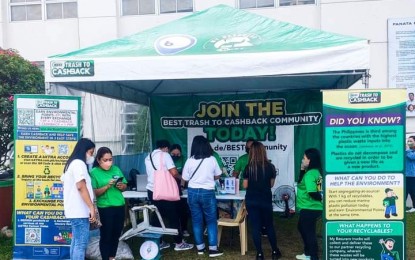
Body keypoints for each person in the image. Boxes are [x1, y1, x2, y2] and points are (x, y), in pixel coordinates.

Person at [145, 140, 193, 251]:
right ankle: (179, 243)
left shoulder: (148, 157)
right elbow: (174, 173)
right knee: (173, 216)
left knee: (157, 216)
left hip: (152, 190)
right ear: (166, 148)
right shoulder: (165, 155)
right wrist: (185, 178)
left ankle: (159, 241)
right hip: (164, 190)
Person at [182, 135, 223, 257]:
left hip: (192, 192)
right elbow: (218, 176)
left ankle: (200, 248)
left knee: (196, 221)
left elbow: (185, 178)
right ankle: (213, 249)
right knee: (211, 221)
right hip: (207, 192)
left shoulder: (189, 160)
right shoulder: (211, 159)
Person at [243, 141, 282, 260]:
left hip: (252, 200)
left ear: (251, 152)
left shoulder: (248, 167)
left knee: (255, 227)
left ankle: (259, 254)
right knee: (269, 226)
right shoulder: (270, 167)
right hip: (265, 199)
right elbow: (271, 184)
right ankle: (275, 251)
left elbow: (245, 185)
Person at [61, 138, 96, 260]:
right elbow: (81, 186)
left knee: (76, 242)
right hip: (79, 211)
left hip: (75, 211)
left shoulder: (71, 164)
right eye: (91, 152)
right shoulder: (78, 164)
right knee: (81, 244)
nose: (91, 156)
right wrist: (91, 206)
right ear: (84, 151)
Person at [90, 147, 127, 260]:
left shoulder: (116, 169)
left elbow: (125, 185)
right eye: (105, 160)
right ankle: (105, 257)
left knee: (116, 234)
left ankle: (112, 257)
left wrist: (122, 186)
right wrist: (107, 186)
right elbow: (94, 192)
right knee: (106, 235)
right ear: (98, 160)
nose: (108, 162)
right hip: (105, 208)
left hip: (119, 205)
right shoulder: (94, 172)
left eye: (110, 159)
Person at [295, 148, 323, 260]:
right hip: (312, 207)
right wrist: (302, 169)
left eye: (304, 158)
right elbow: (301, 181)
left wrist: (321, 198)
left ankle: (313, 256)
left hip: (310, 207)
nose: (302, 160)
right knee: (302, 228)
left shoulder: (310, 174)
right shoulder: (315, 172)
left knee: (308, 232)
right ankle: (308, 253)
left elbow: (312, 192)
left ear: (309, 160)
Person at [170, 143, 191, 237]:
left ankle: (184, 228)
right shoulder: (167, 159)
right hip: (169, 186)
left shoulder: (184, 159)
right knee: (173, 210)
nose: (175, 156)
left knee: (183, 208)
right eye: (173, 154)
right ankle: (174, 230)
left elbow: (184, 175)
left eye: (177, 154)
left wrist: (182, 187)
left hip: (181, 185)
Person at [405, 136, 415, 213]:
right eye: (408, 141)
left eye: (411, 141)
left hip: (412, 175)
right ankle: (402, 206)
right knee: (405, 191)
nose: (409, 142)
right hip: (405, 174)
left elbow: (412, 157)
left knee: (412, 191)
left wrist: (407, 149)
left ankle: (414, 207)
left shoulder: (410, 152)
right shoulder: (406, 151)